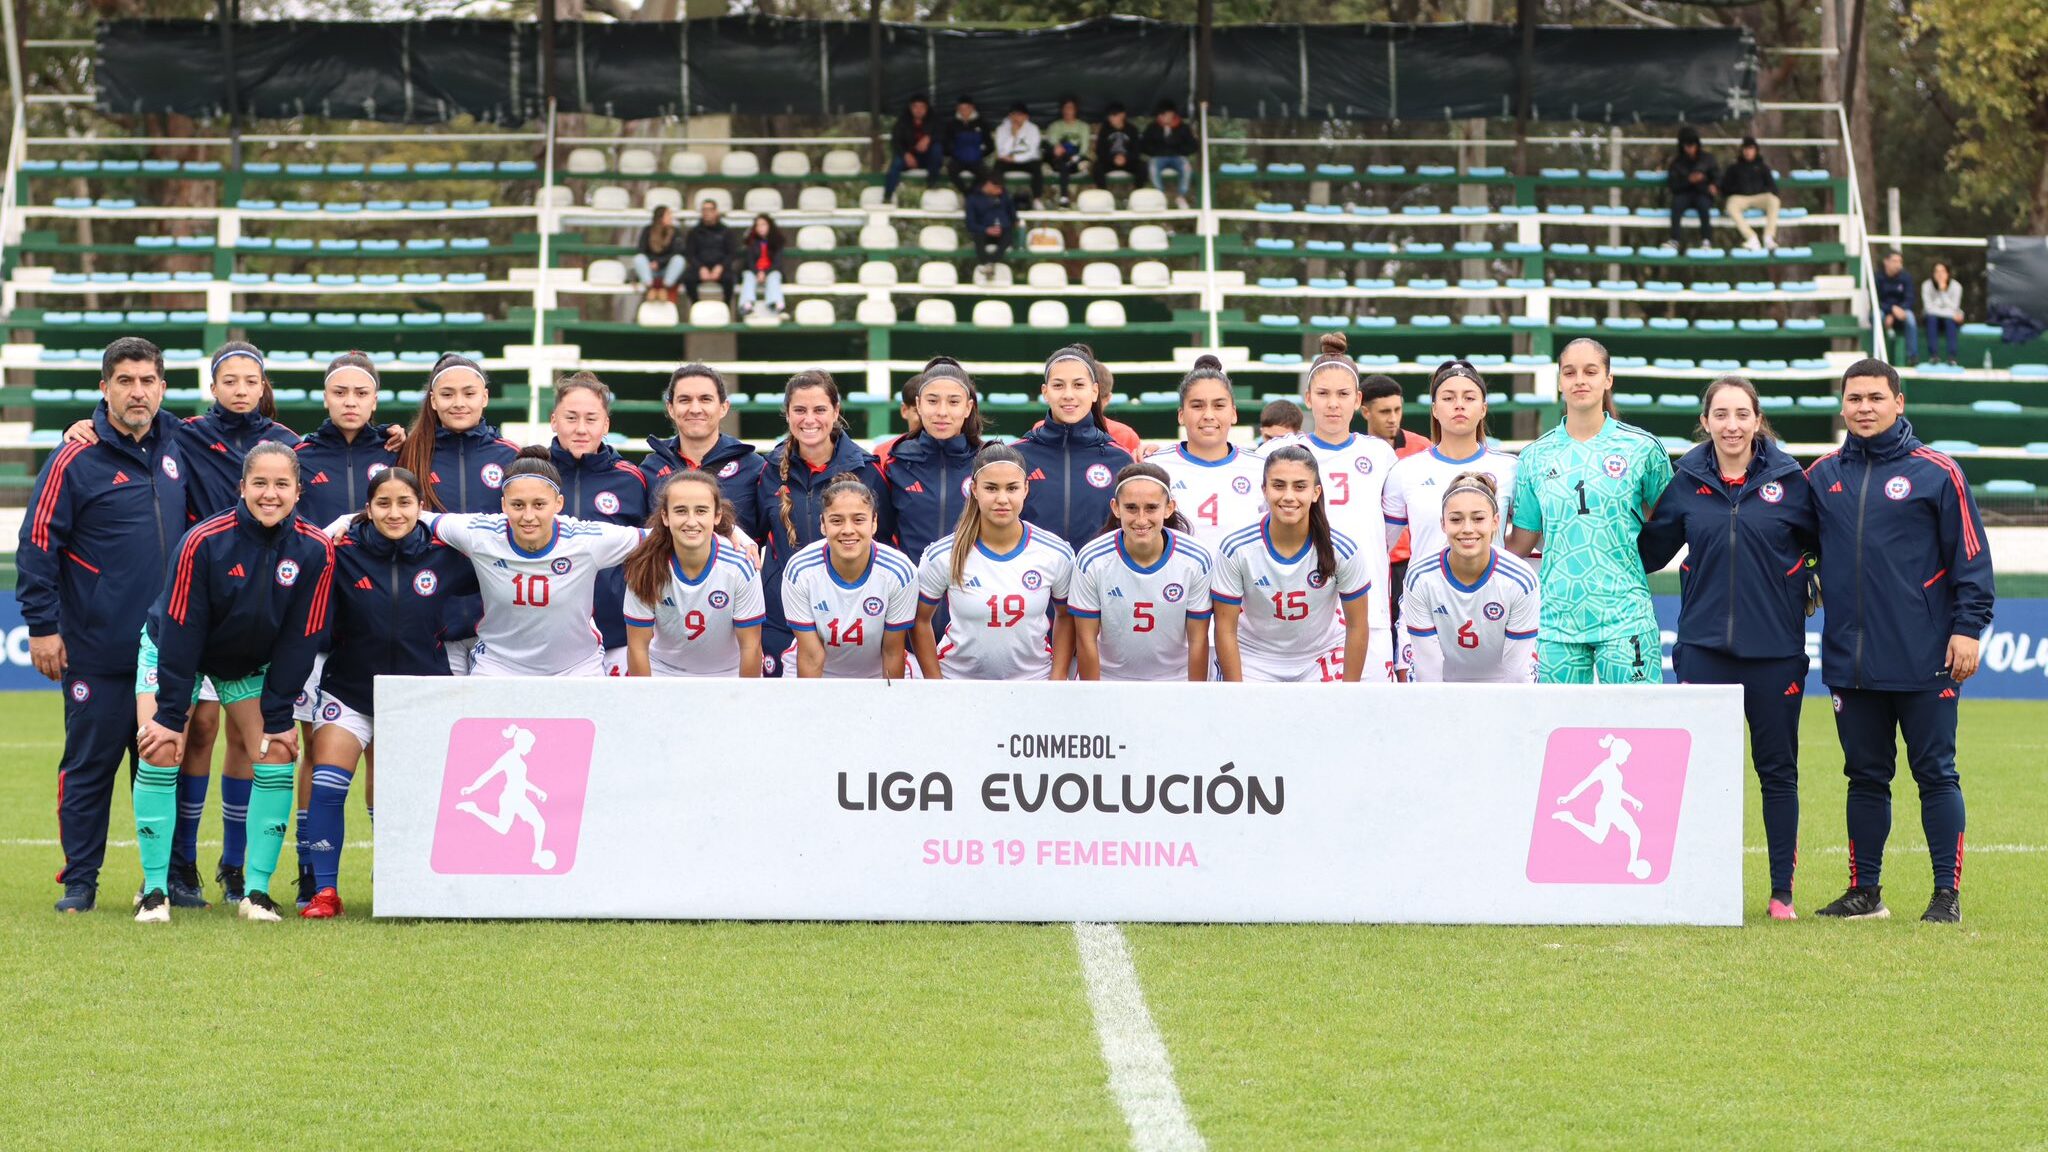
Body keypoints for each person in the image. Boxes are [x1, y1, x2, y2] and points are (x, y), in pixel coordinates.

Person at [1805, 358, 1994, 924]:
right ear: (1842, 406)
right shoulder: (1821, 476)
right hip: (1850, 658)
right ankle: (1865, 892)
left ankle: (1945, 896)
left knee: (1936, 774)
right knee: (1864, 777)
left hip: (1925, 656)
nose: (1864, 407)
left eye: (1875, 398)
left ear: (1898, 402)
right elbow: (1793, 545)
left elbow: (1972, 559)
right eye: (1854, 398)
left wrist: (1967, 628)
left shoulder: (1938, 472)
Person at [132, 442, 334, 923]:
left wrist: (280, 714)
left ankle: (256, 893)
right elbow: (182, 630)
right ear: (241, 487)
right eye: (259, 483)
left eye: (281, 484)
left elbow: (301, 637)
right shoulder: (204, 541)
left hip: (246, 666)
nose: (270, 494)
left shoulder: (315, 549)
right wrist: (168, 714)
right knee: (160, 747)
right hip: (176, 650)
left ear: (298, 491)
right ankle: (156, 891)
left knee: (280, 749)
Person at [20, 338, 189, 913]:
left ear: (162, 387)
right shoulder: (75, 456)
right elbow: (38, 545)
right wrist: (43, 628)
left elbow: (253, 440)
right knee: (90, 766)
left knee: (164, 768)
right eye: (125, 380)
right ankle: (80, 882)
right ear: (104, 388)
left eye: (147, 380)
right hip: (95, 646)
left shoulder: (182, 443)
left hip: (168, 650)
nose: (137, 391)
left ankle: (163, 882)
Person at [1639, 376, 1817, 920]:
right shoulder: (1687, 479)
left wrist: (1803, 576)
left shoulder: (1791, 480)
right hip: (1703, 650)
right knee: (1699, 771)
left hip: (1776, 653)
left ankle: (1781, 892)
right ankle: (1695, 883)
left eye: (1742, 414)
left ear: (1758, 420)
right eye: (1721, 414)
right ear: (1706, 421)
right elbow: (1647, 553)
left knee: (1777, 771)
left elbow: (1825, 548)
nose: (1732, 424)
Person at [302, 466, 478, 918]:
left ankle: (397, 879)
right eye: (383, 503)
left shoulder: (447, 554)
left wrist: (456, 628)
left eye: (405, 503)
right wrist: (333, 530)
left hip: (417, 693)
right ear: (367, 508)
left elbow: (491, 585)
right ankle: (323, 891)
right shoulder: (344, 552)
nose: (395, 512)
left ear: (422, 507)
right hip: (351, 689)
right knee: (327, 785)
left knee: (398, 791)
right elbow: (300, 563)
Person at [1506, 338, 1673, 684]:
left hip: (1625, 616)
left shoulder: (1642, 448)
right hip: (1558, 620)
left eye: (1590, 371)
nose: (1579, 380)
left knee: (1637, 726)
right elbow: (1521, 542)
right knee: (1558, 731)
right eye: (1570, 372)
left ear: (1608, 379)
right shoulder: (1535, 457)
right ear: (1559, 382)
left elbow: (1672, 521)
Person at [424, 446, 646, 678]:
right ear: (503, 505)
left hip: (578, 667)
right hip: (499, 665)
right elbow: (419, 519)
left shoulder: (587, 538)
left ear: (558, 504)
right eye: (518, 505)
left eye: (539, 505)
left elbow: (655, 538)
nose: (528, 516)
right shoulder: (480, 534)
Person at [750, 371, 891, 678]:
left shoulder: (868, 472)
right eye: (800, 410)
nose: (809, 419)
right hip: (782, 622)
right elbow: (753, 540)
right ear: (787, 414)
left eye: (819, 410)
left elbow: (886, 547)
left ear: (836, 411)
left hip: (851, 622)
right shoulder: (768, 471)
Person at [393, 353, 523, 674]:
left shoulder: (510, 456)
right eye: (448, 395)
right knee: (442, 719)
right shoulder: (410, 454)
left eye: (469, 393)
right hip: (432, 615)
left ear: (485, 398)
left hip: (498, 620)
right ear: (433, 401)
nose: (459, 403)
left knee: (492, 720)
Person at [911, 444, 1075, 680]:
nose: (1002, 498)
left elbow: (1067, 616)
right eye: (991, 488)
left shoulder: (1055, 552)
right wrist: (937, 684)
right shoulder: (943, 554)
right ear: (974, 490)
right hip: (959, 682)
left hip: (1033, 681)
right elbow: (920, 619)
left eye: (1012, 488)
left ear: (1026, 489)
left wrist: (1057, 679)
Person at [1212, 445, 1373, 683]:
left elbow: (1357, 626)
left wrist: (1347, 692)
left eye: (1300, 486)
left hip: (1320, 656)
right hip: (1255, 657)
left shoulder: (1343, 550)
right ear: (1264, 490)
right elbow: (1225, 629)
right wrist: (1238, 693)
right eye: (1278, 485)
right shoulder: (1237, 548)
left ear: (1316, 492)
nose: (1289, 496)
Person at [1289, 334, 1398, 681]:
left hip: (1370, 608)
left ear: (1358, 400)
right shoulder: (1285, 452)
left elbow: (1389, 531)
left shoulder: (1379, 454)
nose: (1332, 404)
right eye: (1322, 394)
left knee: (1369, 715)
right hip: (1306, 606)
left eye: (1342, 394)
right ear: (1308, 399)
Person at [1070, 462, 1215, 682]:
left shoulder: (1195, 559)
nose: (1140, 519)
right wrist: (1094, 697)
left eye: (1151, 508)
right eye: (1130, 508)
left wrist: (1193, 696)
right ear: (1115, 507)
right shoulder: (1092, 559)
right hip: (1111, 678)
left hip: (1175, 679)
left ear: (1169, 507)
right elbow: (1085, 639)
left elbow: (1198, 640)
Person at [547, 372, 650, 675]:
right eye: (571, 418)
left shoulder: (631, 479)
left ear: (605, 425)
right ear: (554, 420)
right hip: (548, 636)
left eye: (591, 419)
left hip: (617, 634)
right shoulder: (534, 473)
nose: (581, 429)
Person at [619, 471, 766, 678]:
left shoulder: (740, 566)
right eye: (680, 511)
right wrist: (647, 702)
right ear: (665, 516)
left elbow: (751, 647)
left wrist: (742, 702)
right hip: (664, 671)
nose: (691, 521)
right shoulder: (645, 565)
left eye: (701, 511)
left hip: (727, 673)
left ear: (717, 516)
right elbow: (637, 647)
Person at [1400, 473, 1539, 684]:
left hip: (1503, 684)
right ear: (1443, 524)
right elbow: (1428, 671)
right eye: (1456, 519)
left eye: (1478, 518)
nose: (1467, 529)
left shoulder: (1520, 579)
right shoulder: (1420, 578)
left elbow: (1517, 674)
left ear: (1495, 522)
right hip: (1443, 685)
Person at [1382, 361, 1519, 571]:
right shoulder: (1405, 471)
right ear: (1434, 409)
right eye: (1448, 398)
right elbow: (1380, 546)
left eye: (1469, 398)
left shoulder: (1510, 468)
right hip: (1426, 599)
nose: (1459, 405)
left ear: (1483, 409)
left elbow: (1524, 540)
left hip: (1492, 597)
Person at [781, 477, 919, 679]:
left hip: (876, 672)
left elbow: (892, 651)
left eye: (859, 519)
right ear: (822, 524)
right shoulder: (799, 570)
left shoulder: (900, 571)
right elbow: (811, 656)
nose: (847, 530)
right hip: (817, 671)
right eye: (836, 520)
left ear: (874, 523)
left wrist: (890, 706)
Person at [1014, 343, 1135, 550]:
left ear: (1095, 391)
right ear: (1045, 392)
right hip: (1034, 579)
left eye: (1078, 385)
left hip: (1099, 579)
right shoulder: (1018, 456)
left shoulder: (1120, 459)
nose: (1068, 394)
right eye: (1058, 385)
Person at [1150, 354, 1265, 550]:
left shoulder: (1260, 468)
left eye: (1219, 405)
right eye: (1197, 406)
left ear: (1234, 413)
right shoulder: (1156, 468)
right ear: (1181, 415)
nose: (1209, 415)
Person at [640, 363, 766, 540]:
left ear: (724, 407)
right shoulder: (650, 468)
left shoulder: (754, 468)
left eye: (705, 399)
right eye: (684, 400)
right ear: (670, 408)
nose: (695, 409)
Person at [885, 358, 984, 571]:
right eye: (932, 401)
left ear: (968, 408)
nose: (942, 412)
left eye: (953, 402)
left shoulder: (987, 464)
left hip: (974, 595)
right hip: (912, 594)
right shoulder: (894, 464)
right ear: (918, 405)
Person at [292, 352, 402, 528]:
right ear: (325, 399)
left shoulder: (395, 452)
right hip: (321, 555)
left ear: (374, 401)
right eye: (339, 392)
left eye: (361, 393)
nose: (350, 402)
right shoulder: (299, 458)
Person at [1718, 136, 1780, 250]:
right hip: (1740, 198)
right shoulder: (1734, 168)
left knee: (1774, 200)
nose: (1748, 152)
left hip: (1759, 197)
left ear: (1756, 150)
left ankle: (1768, 237)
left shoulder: (1763, 167)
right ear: (1742, 150)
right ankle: (1751, 237)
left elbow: (1773, 188)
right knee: (1731, 205)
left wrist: (1764, 190)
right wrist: (1736, 189)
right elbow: (1724, 188)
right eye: (1745, 149)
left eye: (1751, 149)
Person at [884, 93, 942, 203]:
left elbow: (944, 136)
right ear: (911, 108)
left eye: (922, 107)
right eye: (916, 107)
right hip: (908, 158)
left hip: (927, 158)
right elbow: (895, 141)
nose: (919, 110)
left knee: (937, 149)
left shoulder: (934, 120)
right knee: (896, 163)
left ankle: (932, 183)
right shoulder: (902, 122)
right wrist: (906, 154)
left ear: (926, 108)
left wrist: (929, 138)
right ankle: (887, 197)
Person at [1665, 127, 1718, 249]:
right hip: (1684, 193)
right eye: (1687, 145)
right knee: (1676, 205)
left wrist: (1714, 185)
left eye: (1692, 145)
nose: (1690, 149)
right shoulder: (1677, 163)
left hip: (1702, 192)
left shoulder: (1707, 159)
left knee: (1704, 206)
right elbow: (1673, 185)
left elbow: (1716, 176)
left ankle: (1706, 239)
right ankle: (1674, 239)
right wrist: (1688, 180)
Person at [680, 198, 737, 306]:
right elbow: (690, 254)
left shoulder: (726, 231)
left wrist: (721, 267)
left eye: (710, 209)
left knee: (730, 279)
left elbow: (731, 253)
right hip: (700, 268)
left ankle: (726, 307)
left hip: (721, 268)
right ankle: (696, 305)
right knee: (688, 278)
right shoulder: (694, 232)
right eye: (704, 210)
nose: (707, 213)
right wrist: (700, 268)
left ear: (716, 212)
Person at [1141, 101, 1198, 207]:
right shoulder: (1152, 127)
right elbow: (1144, 145)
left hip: (1178, 157)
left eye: (1164, 114)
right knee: (1152, 167)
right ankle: (1160, 196)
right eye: (1159, 114)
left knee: (1186, 167)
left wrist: (1179, 150)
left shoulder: (1183, 128)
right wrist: (1156, 151)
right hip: (1158, 157)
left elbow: (1193, 146)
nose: (1161, 117)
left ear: (1172, 114)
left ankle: (1181, 196)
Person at [992, 101, 1044, 208]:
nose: (1016, 118)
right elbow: (1002, 152)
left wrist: (1015, 159)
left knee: (1037, 167)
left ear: (1026, 116)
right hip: (1008, 161)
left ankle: (1037, 199)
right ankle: (998, 197)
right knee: (998, 166)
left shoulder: (1033, 129)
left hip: (1026, 160)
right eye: (1013, 115)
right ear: (1009, 116)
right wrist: (1013, 135)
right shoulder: (1001, 129)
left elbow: (1032, 151)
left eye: (1019, 115)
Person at [938, 95, 993, 194]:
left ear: (972, 108)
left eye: (967, 108)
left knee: (985, 174)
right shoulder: (952, 124)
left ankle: (971, 193)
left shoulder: (982, 123)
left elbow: (990, 146)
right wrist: (954, 153)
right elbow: (945, 144)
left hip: (976, 160)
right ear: (957, 109)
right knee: (951, 171)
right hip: (958, 160)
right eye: (961, 109)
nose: (964, 111)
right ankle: (967, 194)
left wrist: (980, 154)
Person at [1043, 96, 1091, 207]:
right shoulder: (1055, 126)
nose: (1067, 111)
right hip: (1059, 160)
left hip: (1077, 160)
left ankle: (1069, 198)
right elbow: (1054, 145)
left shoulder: (1083, 127)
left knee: (1079, 162)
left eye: (1070, 108)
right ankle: (1063, 197)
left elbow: (1084, 148)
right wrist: (1059, 150)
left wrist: (1074, 156)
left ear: (1075, 110)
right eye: (1065, 108)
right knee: (1062, 162)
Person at [736, 213, 786, 318]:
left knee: (774, 276)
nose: (760, 228)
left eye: (763, 224)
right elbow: (749, 262)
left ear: (770, 226)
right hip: (754, 271)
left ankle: (777, 304)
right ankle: (747, 305)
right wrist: (757, 273)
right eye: (758, 225)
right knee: (748, 276)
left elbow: (777, 263)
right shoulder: (751, 242)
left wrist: (766, 273)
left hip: (770, 271)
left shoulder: (777, 243)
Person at [966, 171, 1017, 271]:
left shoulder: (1005, 197)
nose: (1000, 191)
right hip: (984, 231)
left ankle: (991, 262)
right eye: (997, 188)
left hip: (1003, 231)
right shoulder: (973, 199)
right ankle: (986, 263)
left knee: (1008, 235)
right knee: (978, 236)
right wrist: (986, 229)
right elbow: (970, 223)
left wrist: (1008, 224)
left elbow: (1012, 215)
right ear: (989, 185)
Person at [1876, 251, 1919, 366]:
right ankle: (1876, 355)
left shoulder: (1906, 277)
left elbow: (1910, 299)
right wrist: (1891, 310)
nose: (1898, 264)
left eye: (1900, 261)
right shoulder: (1877, 277)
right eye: (1895, 261)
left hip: (1900, 312)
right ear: (1886, 262)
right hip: (1884, 311)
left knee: (1910, 317)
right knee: (1877, 315)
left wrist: (1895, 312)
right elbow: (1875, 301)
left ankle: (1912, 357)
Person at [633, 204, 683, 300]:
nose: (671, 217)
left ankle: (664, 288)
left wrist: (660, 263)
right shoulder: (648, 230)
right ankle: (651, 288)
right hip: (651, 268)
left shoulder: (675, 232)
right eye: (668, 215)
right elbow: (641, 250)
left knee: (679, 260)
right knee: (638, 258)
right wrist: (652, 262)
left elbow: (676, 252)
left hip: (666, 268)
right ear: (660, 217)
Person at [1922, 260, 1964, 366]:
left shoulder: (1956, 286)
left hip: (1949, 320)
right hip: (1933, 319)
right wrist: (1941, 292)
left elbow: (1955, 306)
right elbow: (1928, 308)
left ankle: (1952, 357)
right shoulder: (1926, 285)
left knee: (1950, 321)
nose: (1940, 274)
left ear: (1948, 273)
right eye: (1936, 271)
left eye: (1943, 271)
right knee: (1932, 318)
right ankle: (1934, 356)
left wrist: (1943, 292)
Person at [1092, 104, 1143, 189]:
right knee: (1097, 167)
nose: (1111, 118)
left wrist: (1125, 158)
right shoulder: (1105, 130)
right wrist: (1113, 158)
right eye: (1110, 116)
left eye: (1114, 115)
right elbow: (1100, 151)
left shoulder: (1132, 129)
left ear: (1122, 115)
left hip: (1127, 161)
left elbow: (1137, 151)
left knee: (1142, 166)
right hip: (1110, 161)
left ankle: (1137, 193)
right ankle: (1104, 193)